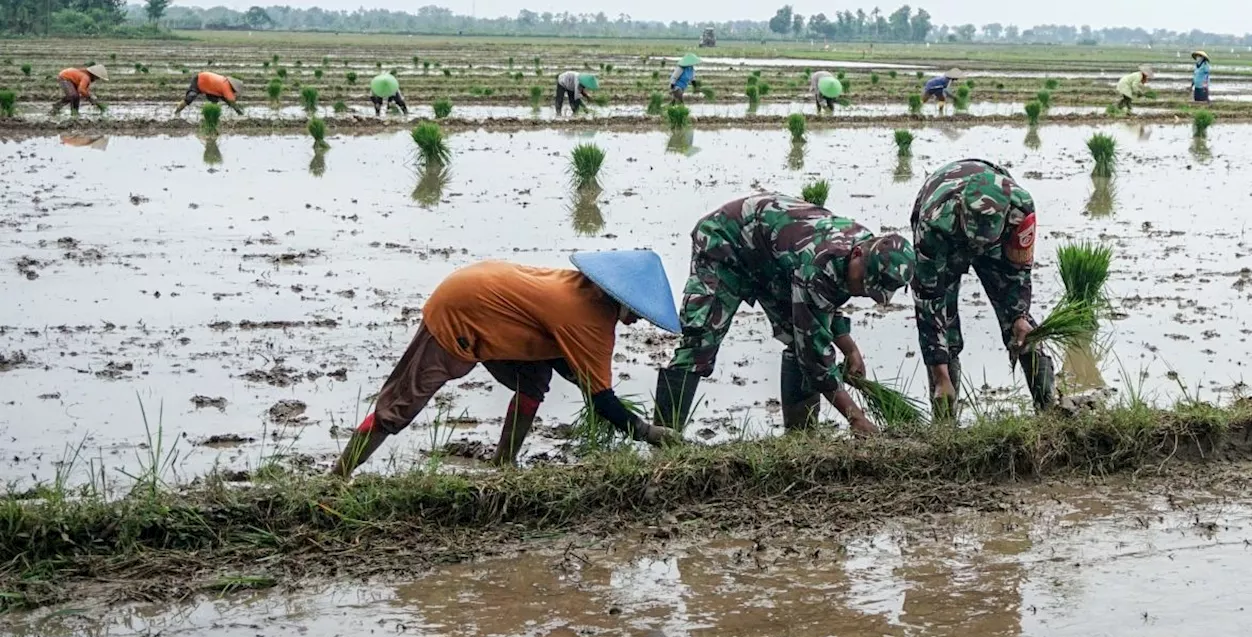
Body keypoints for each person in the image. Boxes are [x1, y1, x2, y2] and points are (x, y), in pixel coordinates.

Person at [332, 251, 683, 476]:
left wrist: (588, 380)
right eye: (639, 311)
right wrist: (648, 433)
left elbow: (568, 364)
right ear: (621, 297)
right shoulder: (590, 319)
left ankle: (503, 461)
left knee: (533, 381)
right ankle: (337, 477)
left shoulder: (582, 289)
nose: (640, 320)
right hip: (461, 308)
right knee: (402, 402)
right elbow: (601, 400)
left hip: (488, 295)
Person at [653, 193, 917, 436]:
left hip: (773, 262)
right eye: (864, 282)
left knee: (796, 336)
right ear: (858, 253)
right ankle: (663, 441)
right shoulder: (819, 263)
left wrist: (849, 349)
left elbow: (824, 304)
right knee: (700, 342)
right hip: (726, 245)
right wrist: (855, 417)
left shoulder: (860, 252)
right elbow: (814, 353)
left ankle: (801, 439)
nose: (861, 290)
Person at [909, 159, 1055, 417]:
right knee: (946, 328)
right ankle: (945, 422)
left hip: (999, 240)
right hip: (948, 239)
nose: (978, 245)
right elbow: (928, 302)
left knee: (1021, 328)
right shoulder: (933, 224)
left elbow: (1018, 271)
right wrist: (939, 372)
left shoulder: (1021, 209)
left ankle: (1048, 409)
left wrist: (1019, 314)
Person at [174, 71, 243, 116]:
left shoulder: (225, 82)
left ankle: (210, 114)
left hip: (210, 86)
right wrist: (239, 112)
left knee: (214, 100)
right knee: (191, 96)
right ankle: (177, 111)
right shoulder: (226, 86)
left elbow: (227, 100)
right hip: (200, 79)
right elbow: (231, 101)